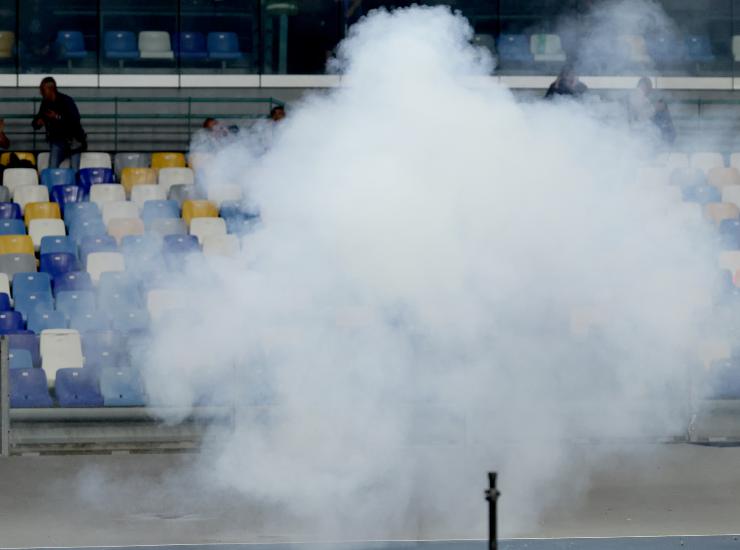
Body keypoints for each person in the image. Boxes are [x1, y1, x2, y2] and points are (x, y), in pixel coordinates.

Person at [31, 77, 86, 170]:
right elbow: (36, 122)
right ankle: (52, 184)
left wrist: (57, 117)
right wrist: (38, 122)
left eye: (43, 90)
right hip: (57, 141)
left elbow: (75, 120)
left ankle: (74, 184)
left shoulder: (67, 101)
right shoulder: (45, 103)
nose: (41, 93)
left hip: (73, 140)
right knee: (52, 167)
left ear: (50, 89)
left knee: (74, 170)